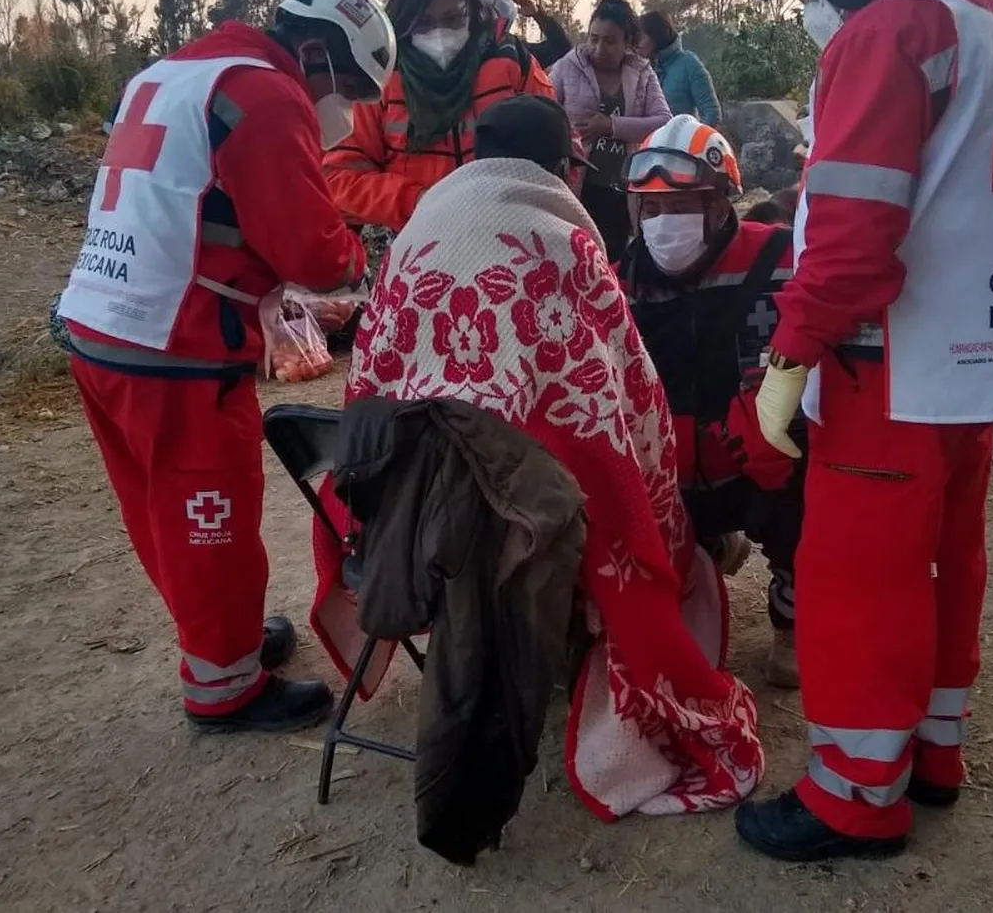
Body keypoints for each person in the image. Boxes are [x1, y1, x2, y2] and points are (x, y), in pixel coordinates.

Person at [312, 94, 764, 820]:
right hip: (526, 524)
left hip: (402, 513)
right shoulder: (562, 246)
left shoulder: (414, 238)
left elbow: (372, 378)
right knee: (614, 500)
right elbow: (627, 403)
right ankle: (578, 640)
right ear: (563, 168)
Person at [730, 0, 993, 861]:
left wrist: (786, 362)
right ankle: (932, 754)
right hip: (976, 359)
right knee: (950, 562)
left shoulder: (890, 29)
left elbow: (854, 236)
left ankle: (855, 797)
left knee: (861, 579)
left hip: (886, 366)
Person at [57, 0, 396, 733]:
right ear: (315, 52)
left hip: (102, 324)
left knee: (160, 512)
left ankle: (225, 643)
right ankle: (225, 688)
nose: (343, 107)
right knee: (211, 520)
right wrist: (355, 258)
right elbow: (312, 251)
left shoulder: (173, 72)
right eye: (347, 88)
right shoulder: (265, 94)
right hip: (175, 345)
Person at [618, 116, 804, 688]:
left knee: (805, 495)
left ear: (721, 203)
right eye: (651, 208)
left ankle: (791, 617)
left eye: (681, 205)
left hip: (760, 461)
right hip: (670, 469)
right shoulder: (624, 278)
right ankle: (710, 545)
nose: (662, 222)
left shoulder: (780, 259)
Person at [323, 0, 555, 234]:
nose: (440, 33)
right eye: (423, 23)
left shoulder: (512, 63)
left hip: (511, 232)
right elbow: (340, 177)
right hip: (415, 237)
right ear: (402, 21)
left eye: (454, 18)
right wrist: (419, 202)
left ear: (472, 10)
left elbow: (560, 149)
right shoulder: (379, 79)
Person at [550, 0, 671, 260]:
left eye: (610, 41)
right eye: (593, 38)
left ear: (628, 42)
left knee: (614, 261)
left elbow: (663, 121)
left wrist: (611, 126)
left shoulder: (642, 73)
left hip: (624, 191)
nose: (599, 48)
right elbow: (543, 114)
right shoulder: (566, 68)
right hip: (576, 189)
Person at [637, 11, 722, 126]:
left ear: (655, 36)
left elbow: (711, 112)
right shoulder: (639, 68)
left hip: (681, 136)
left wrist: (691, 135)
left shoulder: (688, 64)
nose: (637, 44)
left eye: (640, 37)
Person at [475, 0, 574, 69]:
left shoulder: (514, 51)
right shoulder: (512, 51)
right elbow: (561, 48)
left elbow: (561, 48)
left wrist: (538, 15)